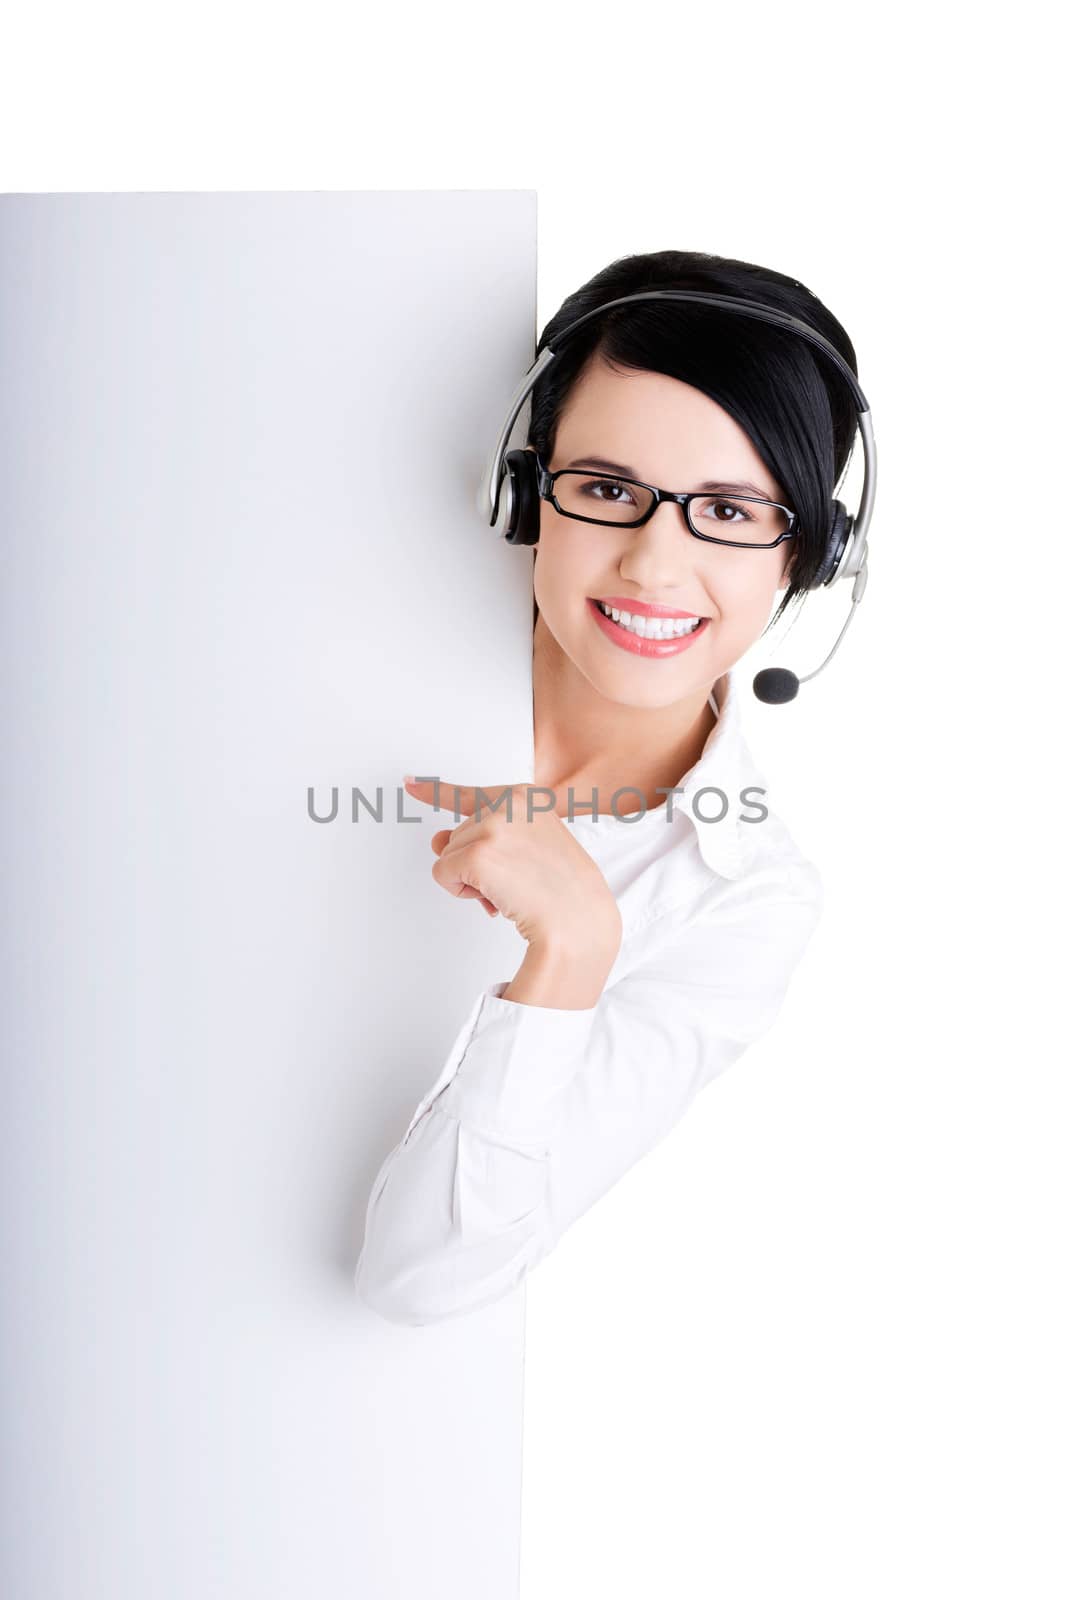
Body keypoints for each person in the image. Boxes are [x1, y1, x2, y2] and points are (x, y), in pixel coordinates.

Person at [355, 249, 860, 1326]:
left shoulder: (741, 898)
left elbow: (424, 1280)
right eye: (608, 490)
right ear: (529, 492)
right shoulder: (352, 627)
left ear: (808, 556)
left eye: (729, 512)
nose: (652, 565)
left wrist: (575, 950)